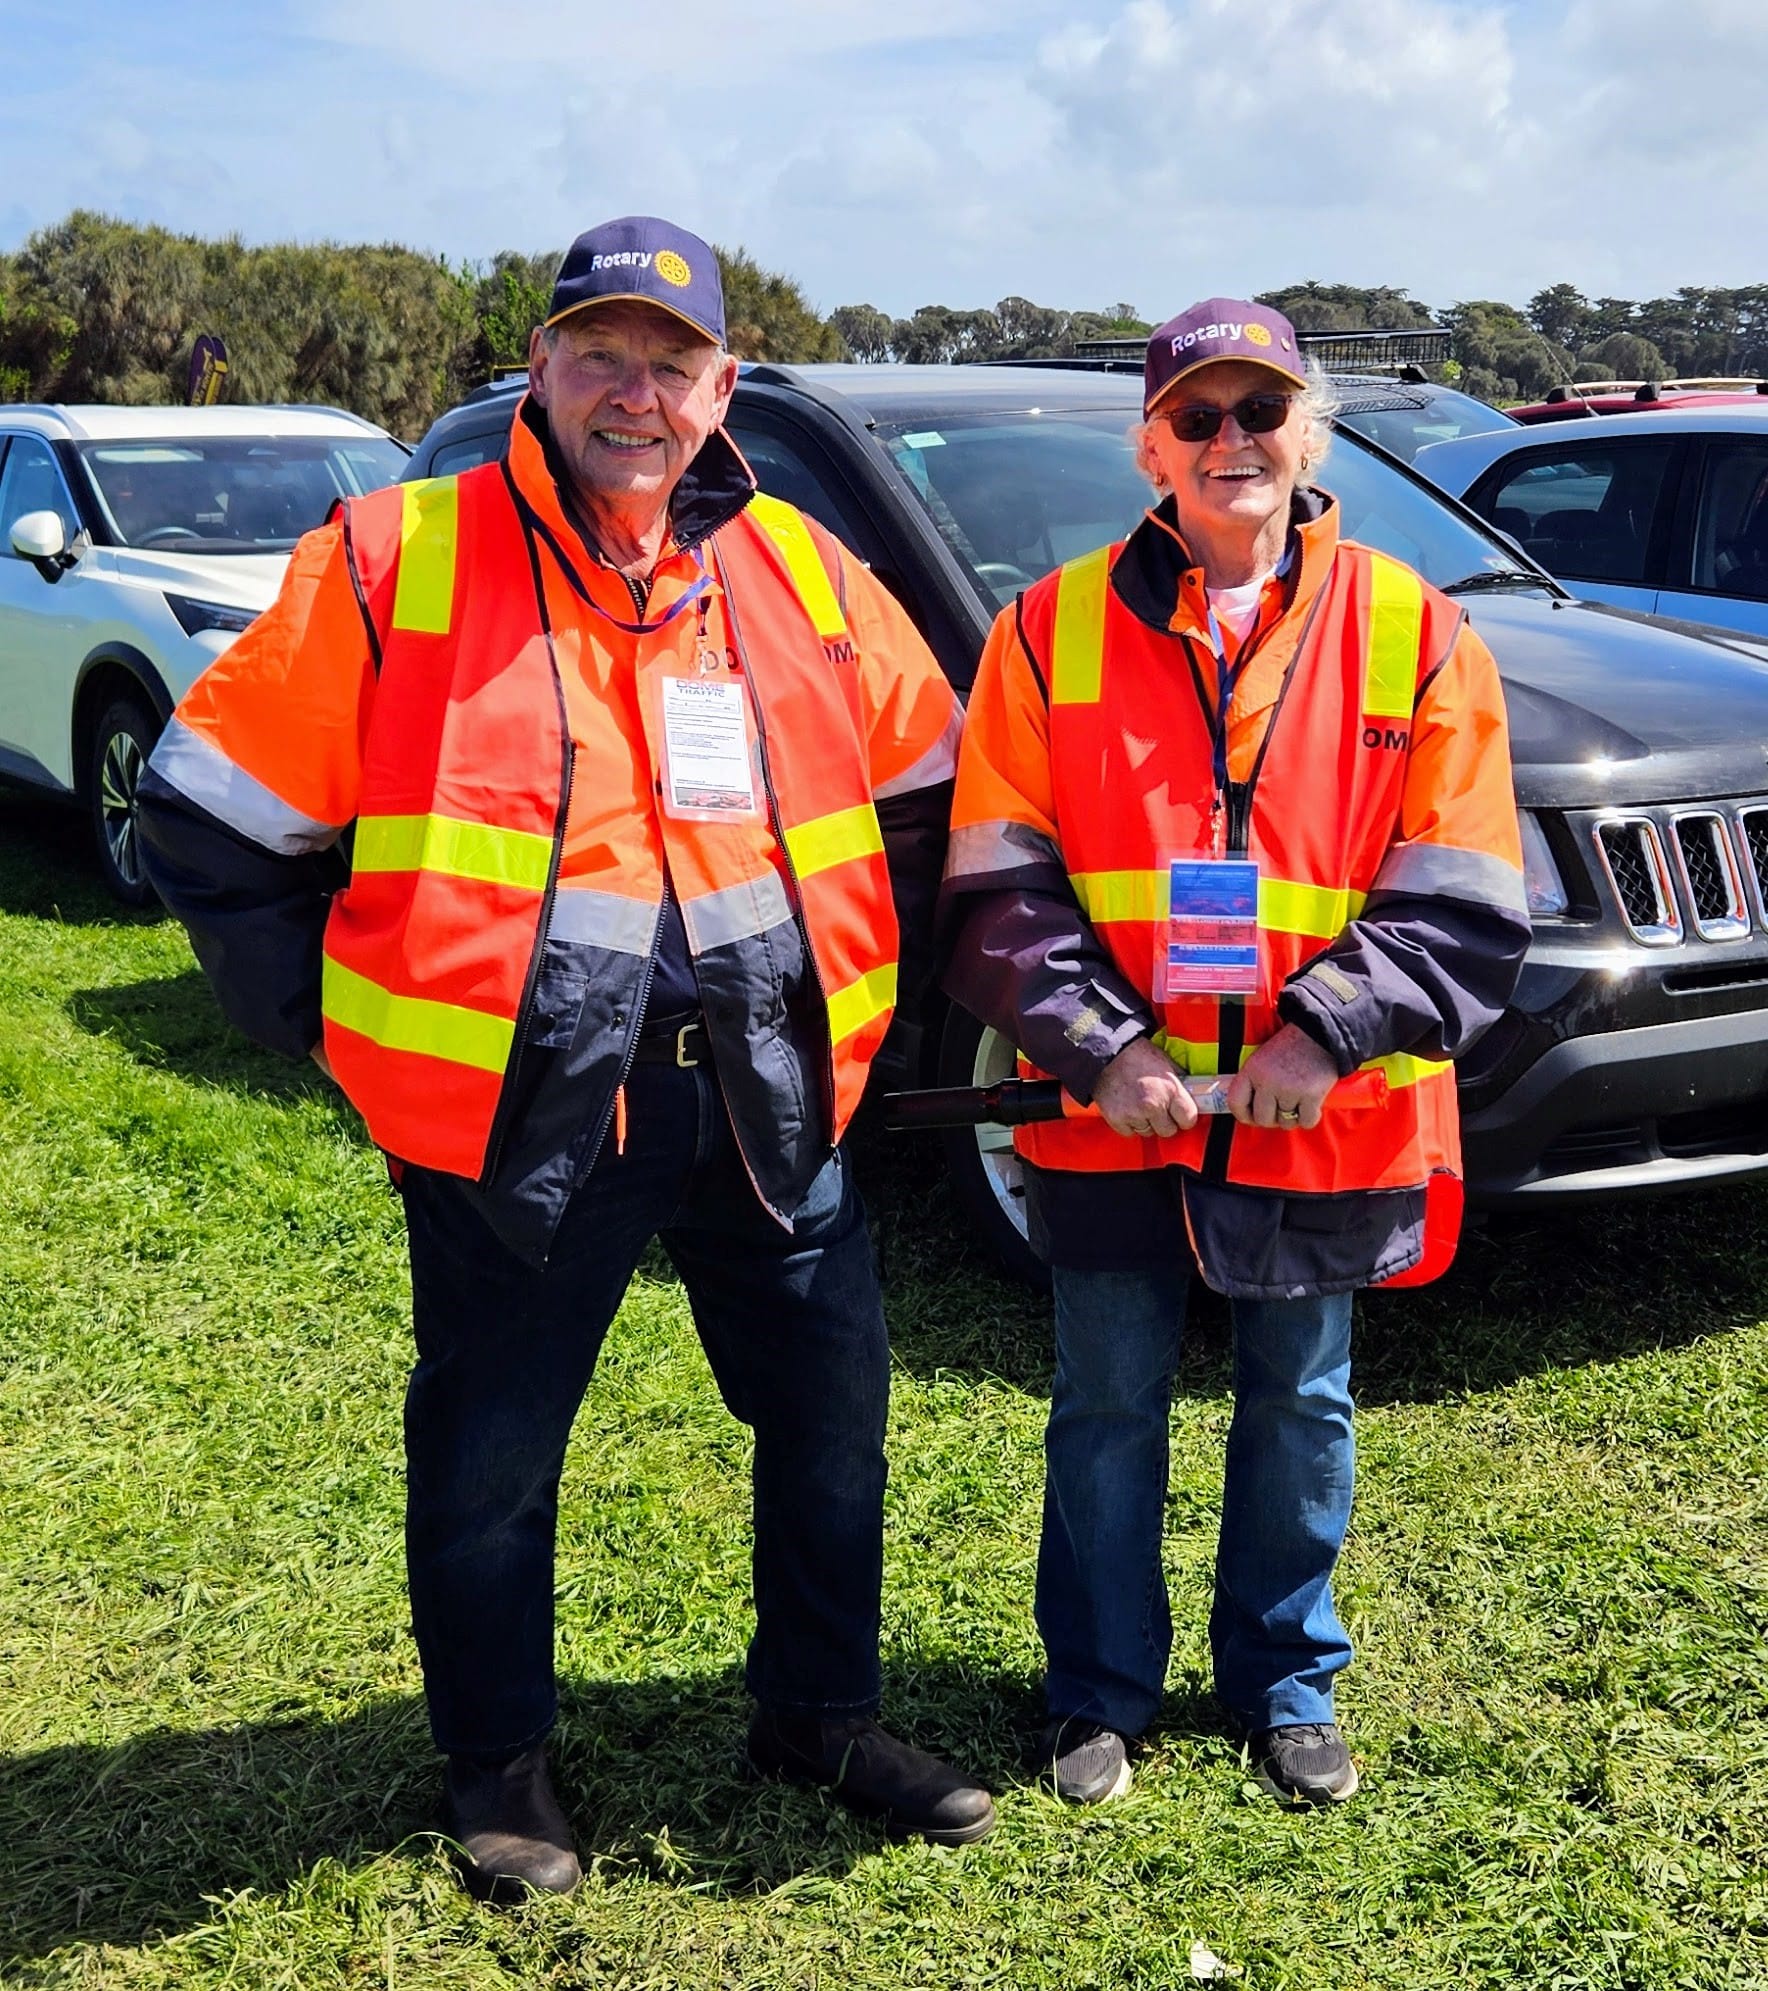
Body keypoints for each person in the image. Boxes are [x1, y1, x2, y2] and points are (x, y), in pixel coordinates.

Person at [138, 215, 994, 1898]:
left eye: (671, 363)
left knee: (834, 1421)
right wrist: (357, 1029)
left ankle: (818, 1715)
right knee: (492, 1456)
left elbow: (929, 801)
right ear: (537, 366)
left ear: (721, 386)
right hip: (521, 1117)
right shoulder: (397, 558)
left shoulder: (804, 575)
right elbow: (211, 818)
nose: (635, 391)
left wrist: (849, 1007)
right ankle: (500, 1766)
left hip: (761, 1094)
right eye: (600, 351)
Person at [940, 298, 1529, 1809]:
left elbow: (1463, 888)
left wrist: (1328, 1035)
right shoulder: (1041, 630)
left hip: (1323, 1112)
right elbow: (998, 888)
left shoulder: (1418, 629)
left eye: (1259, 413)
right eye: (1197, 417)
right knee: (1107, 1400)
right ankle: (1098, 1691)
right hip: (1114, 1113)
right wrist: (1104, 1048)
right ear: (1150, 445)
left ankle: (1285, 1679)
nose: (1231, 443)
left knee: (1303, 1401)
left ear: (1312, 436)